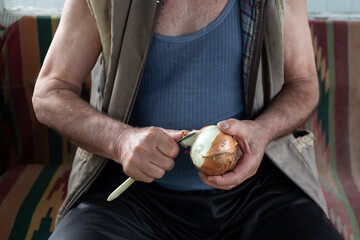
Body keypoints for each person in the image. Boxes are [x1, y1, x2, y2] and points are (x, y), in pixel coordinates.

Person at [32, 0, 343, 239]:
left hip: (258, 189)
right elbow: (50, 93)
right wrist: (121, 141)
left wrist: (262, 131)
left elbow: (303, 83)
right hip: (130, 197)